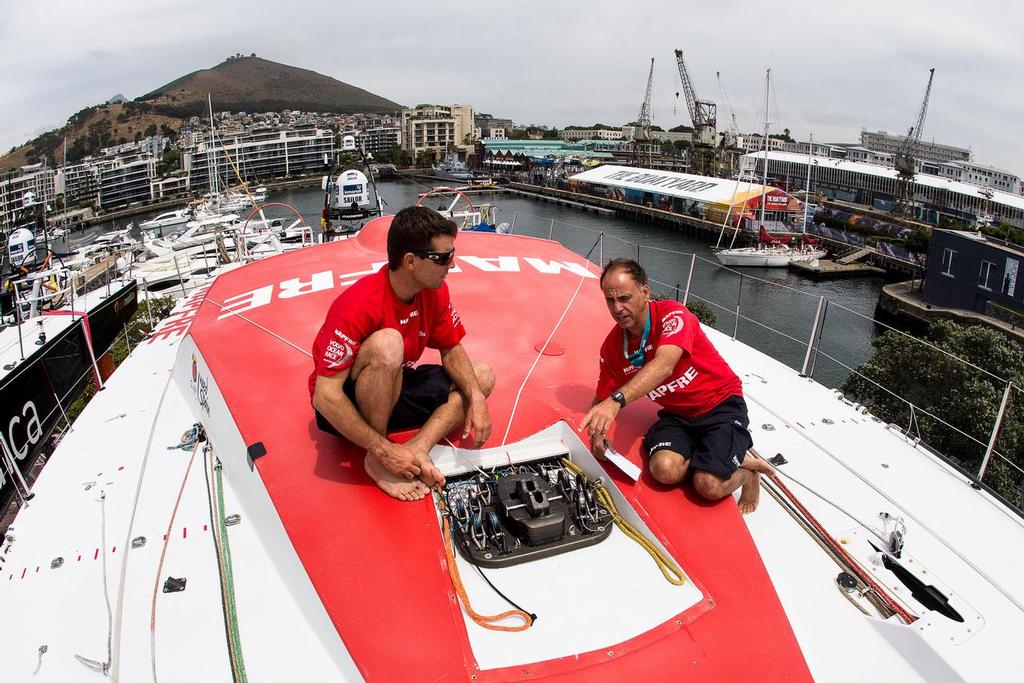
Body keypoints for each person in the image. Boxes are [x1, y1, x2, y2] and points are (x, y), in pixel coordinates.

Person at [309, 206, 495, 502]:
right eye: (444, 258)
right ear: (411, 261)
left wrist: (476, 398)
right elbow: (325, 396)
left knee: (482, 376)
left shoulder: (434, 292)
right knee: (388, 343)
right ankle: (376, 457)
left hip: (392, 387)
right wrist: (385, 451)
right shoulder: (358, 303)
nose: (453, 264)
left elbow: (451, 348)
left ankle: (417, 448)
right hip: (346, 405)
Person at [580, 259, 771, 514]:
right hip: (680, 415)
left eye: (624, 298)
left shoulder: (673, 315)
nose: (618, 308)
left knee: (708, 485)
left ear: (645, 292)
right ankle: (720, 457)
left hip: (721, 405)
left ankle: (747, 474)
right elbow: (601, 398)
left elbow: (664, 365)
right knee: (663, 470)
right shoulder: (613, 347)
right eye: (610, 301)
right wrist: (597, 436)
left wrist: (616, 401)